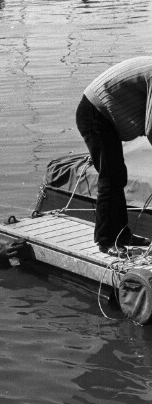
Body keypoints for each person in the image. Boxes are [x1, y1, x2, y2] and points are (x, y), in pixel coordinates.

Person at [76, 57, 152, 255]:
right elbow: (151, 128)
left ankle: (121, 234)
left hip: (105, 115)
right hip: (94, 112)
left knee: (118, 174)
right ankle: (107, 240)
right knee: (111, 176)